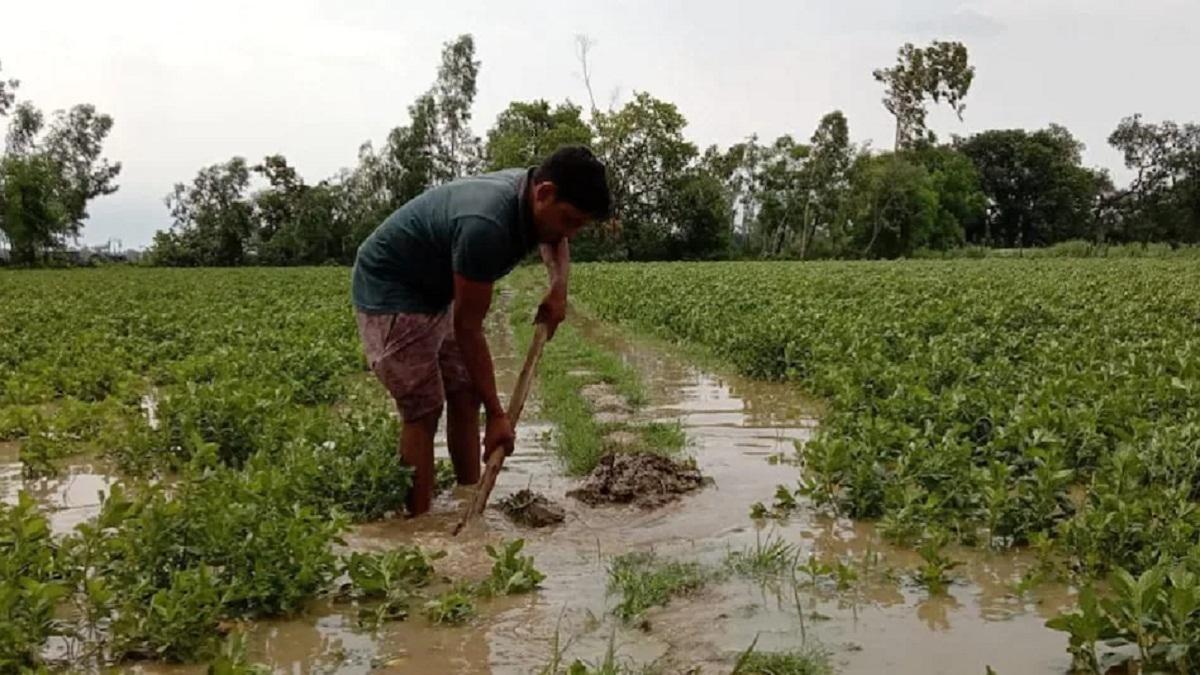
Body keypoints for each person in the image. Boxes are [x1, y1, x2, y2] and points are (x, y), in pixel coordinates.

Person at [351, 145, 611, 516]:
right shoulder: (486, 224)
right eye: (570, 220)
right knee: (423, 407)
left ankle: (467, 498)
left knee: (467, 387)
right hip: (392, 288)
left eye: (579, 225)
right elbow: (469, 327)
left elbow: (556, 238)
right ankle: (417, 527)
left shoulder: (537, 196)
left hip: (436, 286)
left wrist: (559, 289)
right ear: (543, 194)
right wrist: (498, 415)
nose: (570, 232)